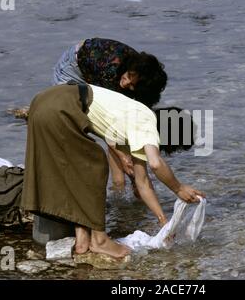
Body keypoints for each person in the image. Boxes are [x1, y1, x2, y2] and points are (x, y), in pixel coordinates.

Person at [20, 83, 205, 258]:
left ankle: (83, 241)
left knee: (78, 170)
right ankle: (99, 240)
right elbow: (156, 164)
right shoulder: (147, 122)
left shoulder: (137, 124)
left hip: (46, 102)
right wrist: (179, 188)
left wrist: (164, 222)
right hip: (61, 106)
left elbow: (143, 182)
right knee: (95, 164)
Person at [52, 37, 168, 193]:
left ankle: (118, 188)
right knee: (80, 124)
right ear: (131, 68)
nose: (126, 83)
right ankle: (114, 185)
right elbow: (109, 127)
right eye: (128, 76)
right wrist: (123, 157)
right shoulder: (111, 71)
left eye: (133, 85)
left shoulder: (140, 71)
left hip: (97, 69)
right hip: (73, 67)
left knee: (121, 132)